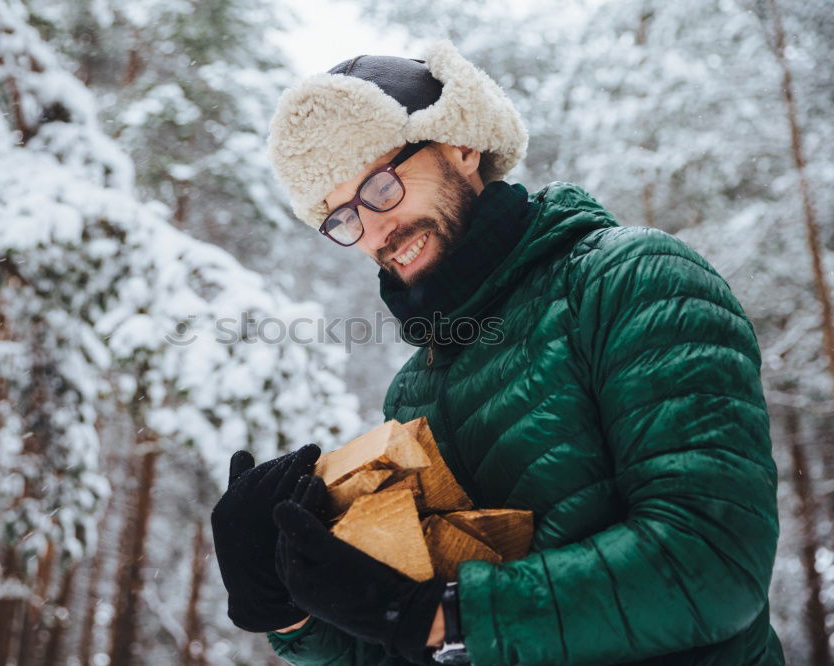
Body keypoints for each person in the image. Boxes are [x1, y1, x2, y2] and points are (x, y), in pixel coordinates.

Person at [210, 40, 784, 665]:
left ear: (461, 144)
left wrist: (436, 616)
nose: (372, 231)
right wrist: (290, 611)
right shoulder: (414, 389)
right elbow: (418, 647)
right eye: (342, 217)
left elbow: (713, 564)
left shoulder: (629, 280)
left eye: (380, 186)